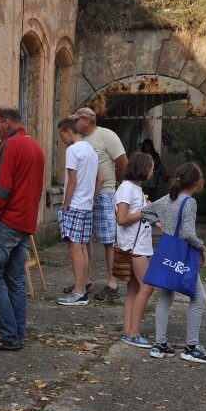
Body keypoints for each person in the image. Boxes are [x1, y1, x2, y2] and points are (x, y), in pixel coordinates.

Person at [0, 105, 45, 350]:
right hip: (24, 224)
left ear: (7, 123)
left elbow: (0, 188)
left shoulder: (10, 145)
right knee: (16, 280)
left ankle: (6, 334)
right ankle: (17, 333)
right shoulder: (35, 146)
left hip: (5, 223)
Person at [141, 162, 206, 364]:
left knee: (166, 294)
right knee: (199, 298)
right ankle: (191, 347)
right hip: (182, 255)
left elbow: (146, 212)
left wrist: (162, 227)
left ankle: (160, 345)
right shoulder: (189, 202)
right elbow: (187, 233)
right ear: (198, 182)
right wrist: (201, 246)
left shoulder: (168, 199)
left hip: (167, 252)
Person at [67, 107, 128, 301]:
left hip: (103, 193)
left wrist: (115, 182)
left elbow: (122, 162)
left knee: (108, 239)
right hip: (84, 196)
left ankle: (112, 283)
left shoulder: (107, 136)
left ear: (86, 120)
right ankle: (84, 282)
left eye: (77, 120)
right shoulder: (80, 140)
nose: (74, 123)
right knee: (84, 239)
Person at [56, 118, 100, 306]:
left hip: (75, 204)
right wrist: (92, 197)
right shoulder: (91, 150)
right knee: (81, 247)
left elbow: (72, 181)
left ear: (68, 131)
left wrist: (65, 206)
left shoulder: (72, 150)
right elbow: (100, 178)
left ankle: (79, 291)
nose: (62, 139)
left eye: (61, 135)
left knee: (74, 248)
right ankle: (81, 290)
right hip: (86, 204)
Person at [115, 152, 155, 347]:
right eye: (151, 167)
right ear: (142, 168)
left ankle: (127, 331)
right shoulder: (127, 189)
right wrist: (143, 212)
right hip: (134, 246)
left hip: (138, 244)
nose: (152, 171)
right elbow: (121, 219)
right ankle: (133, 332)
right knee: (147, 286)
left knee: (134, 289)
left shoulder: (135, 189)